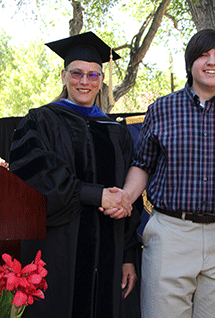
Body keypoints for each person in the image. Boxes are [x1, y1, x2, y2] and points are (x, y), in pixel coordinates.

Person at [107, 29, 215, 317]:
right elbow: (142, 164)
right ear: (190, 63)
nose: (212, 62)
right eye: (204, 55)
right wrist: (126, 197)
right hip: (172, 233)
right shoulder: (162, 109)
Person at [8, 32, 141, 318]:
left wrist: (128, 256)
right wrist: (96, 195)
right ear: (63, 75)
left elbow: (130, 198)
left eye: (93, 75)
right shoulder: (40, 121)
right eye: (77, 73)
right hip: (57, 251)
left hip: (109, 250)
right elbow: (34, 181)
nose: (85, 82)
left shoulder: (116, 132)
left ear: (101, 80)